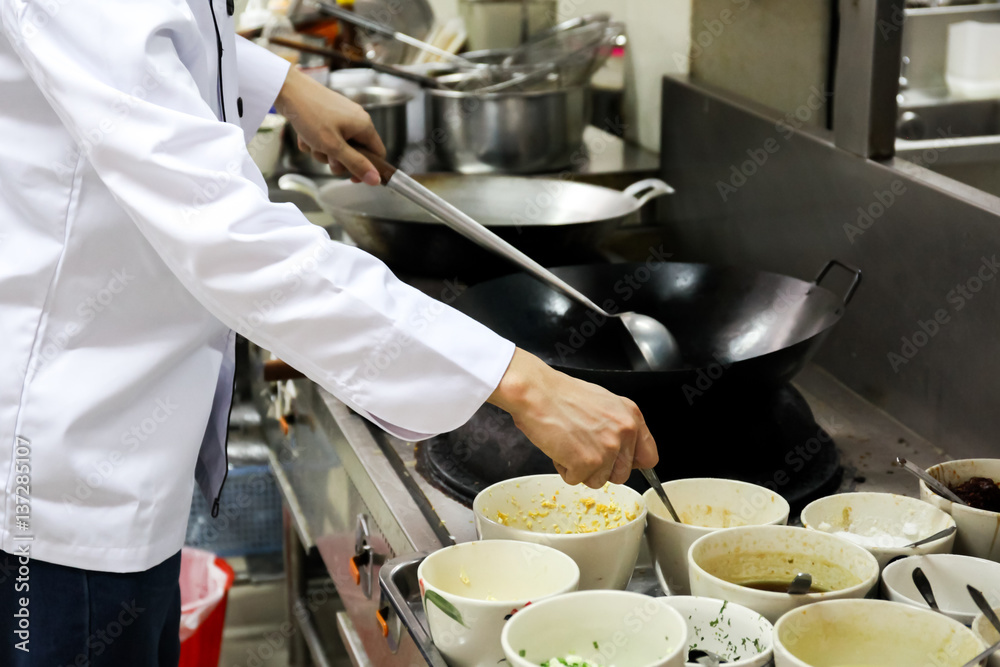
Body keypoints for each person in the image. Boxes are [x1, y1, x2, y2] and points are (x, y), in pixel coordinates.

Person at [0, 1, 658, 664]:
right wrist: (524, 382)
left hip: (108, 441)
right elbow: (232, 240)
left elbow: (156, 40)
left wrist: (276, 82)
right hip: (61, 482)